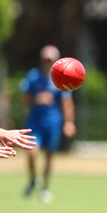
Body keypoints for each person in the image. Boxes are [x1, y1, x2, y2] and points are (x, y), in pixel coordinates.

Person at [20, 45, 76, 203]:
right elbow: (24, 99)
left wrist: (69, 122)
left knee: (49, 157)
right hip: (35, 123)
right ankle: (32, 180)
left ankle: (44, 188)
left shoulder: (61, 78)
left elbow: (67, 102)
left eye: (50, 60)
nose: (47, 62)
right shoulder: (32, 76)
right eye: (45, 59)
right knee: (31, 152)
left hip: (53, 123)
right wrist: (36, 99)